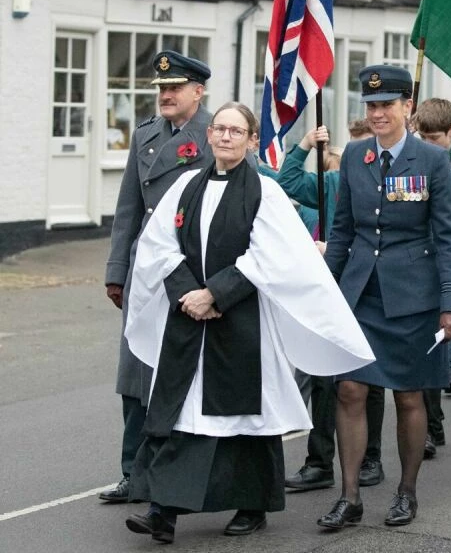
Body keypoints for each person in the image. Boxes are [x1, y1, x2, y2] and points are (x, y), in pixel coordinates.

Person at [123, 102, 374, 543]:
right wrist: (188, 295)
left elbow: (270, 255)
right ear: (209, 135)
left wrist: (215, 293)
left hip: (242, 323)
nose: (224, 137)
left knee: (246, 419)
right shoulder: (185, 186)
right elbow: (158, 245)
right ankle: (162, 511)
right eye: (218, 128)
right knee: (182, 412)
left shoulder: (265, 192)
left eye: (235, 131)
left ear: (252, 140)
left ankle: (253, 505)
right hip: (190, 320)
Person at [317, 65, 451, 529]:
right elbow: (341, 234)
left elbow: (448, 238)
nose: (378, 113)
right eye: (371, 106)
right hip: (361, 294)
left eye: (386, 105)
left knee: (408, 396)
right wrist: (323, 291)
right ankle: (350, 495)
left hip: (413, 298)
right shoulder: (357, 156)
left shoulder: (432, 161)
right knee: (349, 389)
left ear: (408, 108)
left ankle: (406, 492)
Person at [100, 50, 212, 504]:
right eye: (161, 89)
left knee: (181, 377)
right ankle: (133, 472)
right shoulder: (146, 135)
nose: (165, 95)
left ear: (197, 92)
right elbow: (128, 208)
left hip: (187, 271)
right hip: (144, 273)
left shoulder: (213, 136)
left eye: (175, 88)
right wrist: (117, 272)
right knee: (134, 375)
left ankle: (171, 475)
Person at [277, 124, 387, 492]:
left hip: (370, 289)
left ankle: (371, 458)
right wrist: (305, 144)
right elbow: (288, 182)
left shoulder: (390, 184)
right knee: (324, 378)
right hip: (330, 289)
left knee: (368, 379)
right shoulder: (334, 182)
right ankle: (319, 462)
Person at [412, 98, 451, 460]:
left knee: (436, 344)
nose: (428, 143)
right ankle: (430, 424)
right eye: (422, 136)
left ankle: (432, 423)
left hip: (448, 264)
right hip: (417, 265)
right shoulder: (412, 161)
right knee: (420, 347)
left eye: (434, 137)